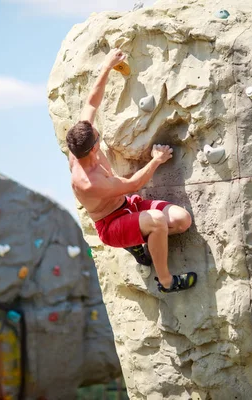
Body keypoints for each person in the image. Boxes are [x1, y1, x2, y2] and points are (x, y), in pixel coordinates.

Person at [67, 49, 197, 294]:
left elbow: (91, 103)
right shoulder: (89, 182)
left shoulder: (80, 143)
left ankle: (139, 240)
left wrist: (107, 66)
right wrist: (157, 160)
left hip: (130, 206)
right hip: (112, 224)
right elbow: (134, 184)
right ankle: (167, 281)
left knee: (182, 221)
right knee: (157, 222)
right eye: (98, 138)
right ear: (94, 148)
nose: (97, 134)